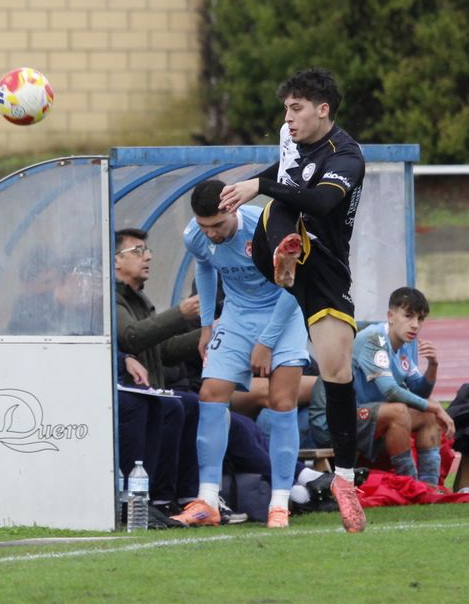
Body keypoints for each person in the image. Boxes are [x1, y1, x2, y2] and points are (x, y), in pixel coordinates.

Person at [218, 67, 369, 532]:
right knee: (279, 206)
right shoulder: (289, 138)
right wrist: (259, 184)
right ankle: (286, 256)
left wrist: (260, 184)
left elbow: (322, 203)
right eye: (286, 108)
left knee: (336, 371)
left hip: (325, 269)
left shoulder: (347, 156)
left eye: (297, 108)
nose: (288, 117)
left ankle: (344, 479)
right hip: (278, 247)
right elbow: (284, 180)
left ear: (323, 110)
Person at [171, 179, 310, 528]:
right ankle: (206, 500)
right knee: (210, 394)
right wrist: (206, 326)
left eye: (217, 225)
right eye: (205, 227)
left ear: (231, 209)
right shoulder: (197, 236)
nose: (212, 234)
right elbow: (204, 267)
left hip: (284, 312)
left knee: (281, 402)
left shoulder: (268, 228)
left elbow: (293, 287)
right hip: (236, 316)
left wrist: (266, 342)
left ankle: (280, 503)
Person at [113, 227, 202, 513]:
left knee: (189, 404)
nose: (148, 256)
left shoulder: (139, 298)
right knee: (168, 406)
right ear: (115, 260)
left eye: (147, 250)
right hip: (124, 391)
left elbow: (162, 351)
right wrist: (180, 315)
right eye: (137, 251)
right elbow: (132, 337)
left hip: (147, 389)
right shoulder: (111, 297)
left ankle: (184, 497)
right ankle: (151, 499)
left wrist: (207, 337)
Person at [350, 286, 454, 487]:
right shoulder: (374, 339)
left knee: (428, 414)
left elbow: (419, 392)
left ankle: (430, 487)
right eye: (408, 316)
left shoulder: (403, 346)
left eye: (420, 319)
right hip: (347, 418)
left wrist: (433, 365)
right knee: (401, 411)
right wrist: (434, 406)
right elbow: (390, 390)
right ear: (391, 316)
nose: (415, 325)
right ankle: (410, 485)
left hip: (375, 415)